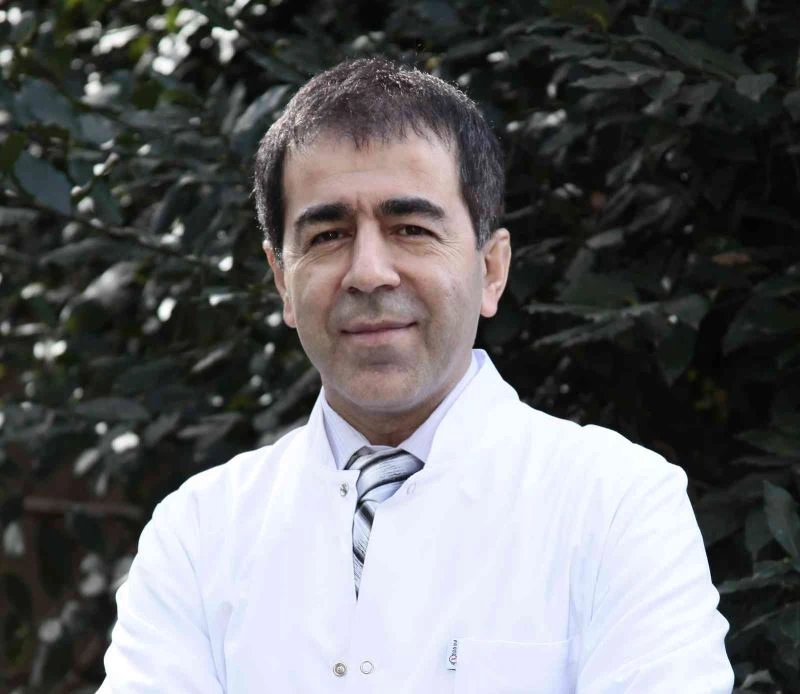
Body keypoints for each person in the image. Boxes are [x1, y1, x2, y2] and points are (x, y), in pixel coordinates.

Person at [99, 57, 734, 693]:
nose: (368, 272)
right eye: (327, 235)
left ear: (491, 269)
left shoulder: (617, 504)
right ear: (282, 281)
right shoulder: (198, 534)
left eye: (411, 229)